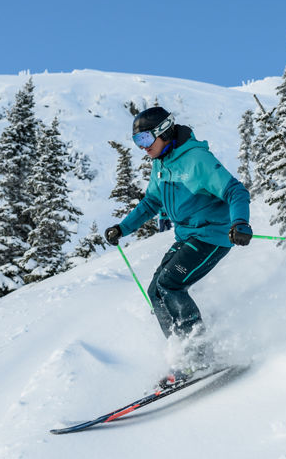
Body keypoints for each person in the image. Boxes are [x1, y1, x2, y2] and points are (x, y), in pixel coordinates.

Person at [104, 107, 252, 383]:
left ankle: (200, 356)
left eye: (146, 140)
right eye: (138, 142)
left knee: (170, 284)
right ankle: (182, 355)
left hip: (214, 235)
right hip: (187, 236)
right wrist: (122, 228)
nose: (143, 148)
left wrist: (240, 223)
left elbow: (235, 190)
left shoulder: (197, 159)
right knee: (155, 290)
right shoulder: (161, 163)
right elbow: (151, 202)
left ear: (163, 131)